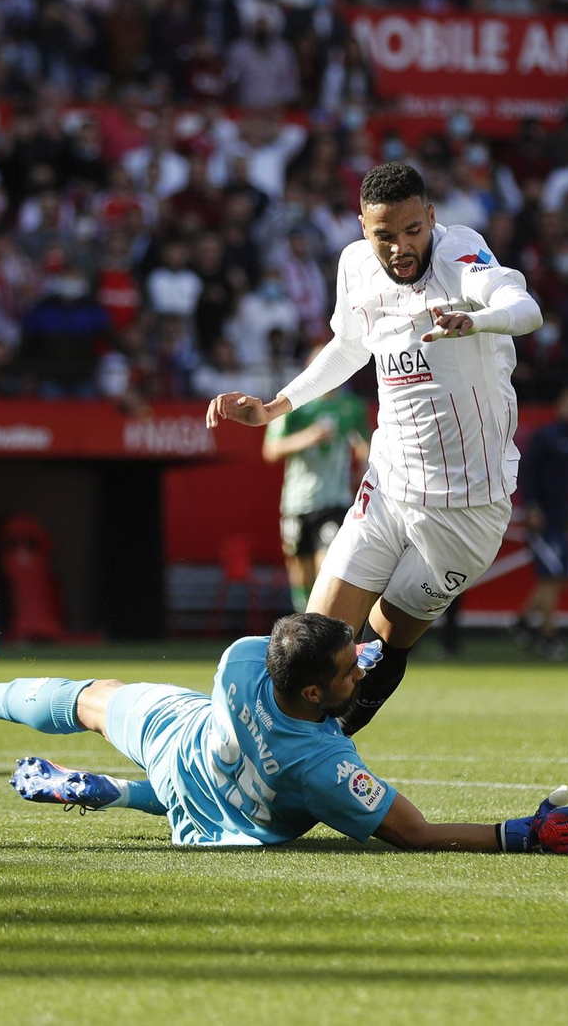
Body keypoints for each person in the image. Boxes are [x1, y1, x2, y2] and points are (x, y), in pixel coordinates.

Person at [205, 162, 542, 735]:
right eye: (384, 235)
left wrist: (478, 320)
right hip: (387, 486)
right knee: (313, 645)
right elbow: (347, 347)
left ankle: (326, 754)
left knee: (382, 643)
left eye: (413, 230)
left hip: (467, 508)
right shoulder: (356, 266)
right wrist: (275, 406)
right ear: (363, 227)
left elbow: (527, 309)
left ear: (431, 217)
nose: (400, 248)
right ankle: (275, 760)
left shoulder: (462, 255)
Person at [0, 616, 568, 853]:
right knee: (225, 798)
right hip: (232, 816)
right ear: (314, 694)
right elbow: (415, 833)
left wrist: (348, 655)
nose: (359, 670)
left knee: (91, 699)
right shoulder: (324, 769)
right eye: (348, 670)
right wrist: (517, 833)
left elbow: (306, 657)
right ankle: (120, 794)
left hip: (182, 741)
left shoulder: (246, 658)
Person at [262, 373, 370, 612]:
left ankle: (325, 625)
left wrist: (365, 462)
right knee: (301, 576)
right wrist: (307, 437)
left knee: (328, 567)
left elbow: (365, 444)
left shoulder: (352, 406)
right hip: (297, 502)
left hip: (334, 501)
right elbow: (271, 450)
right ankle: (306, 623)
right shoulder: (293, 405)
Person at [511, 386, 568, 661]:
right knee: (553, 576)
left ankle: (522, 622)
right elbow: (528, 472)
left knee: (561, 575)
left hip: (559, 518)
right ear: (559, 405)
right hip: (542, 518)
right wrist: (531, 507)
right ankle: (547, 635)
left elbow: (567, 486)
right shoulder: (546, 436)